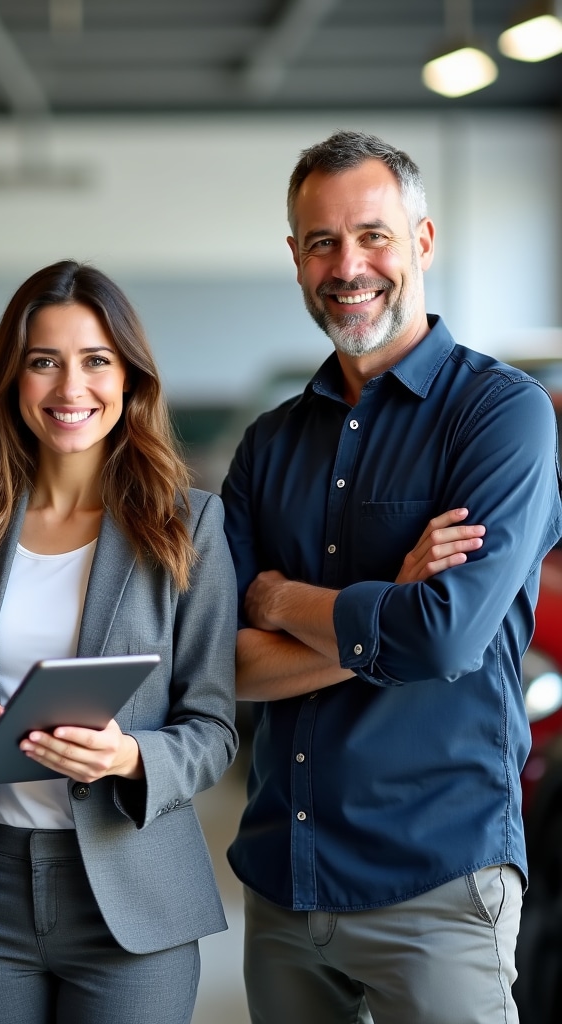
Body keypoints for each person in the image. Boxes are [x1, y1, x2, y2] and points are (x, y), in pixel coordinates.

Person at [221, 129, 562, 1024]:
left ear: (422, 240)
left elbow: (445, 637)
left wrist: (281, 600)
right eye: (322, 242)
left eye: (372, 234)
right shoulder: (270, 444)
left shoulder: (502, 419)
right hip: (284, 885)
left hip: (437, 884)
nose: (349, 264)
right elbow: (228, 665)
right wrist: (389, 614)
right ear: (295, 259)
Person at [0, 259, 238, 1024]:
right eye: (44, 362)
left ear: (130, 378)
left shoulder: (189, 526)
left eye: (95, 361)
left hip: (133, 892)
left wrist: (130, 757)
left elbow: (214, 727)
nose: (69, 387)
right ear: (14, 380)